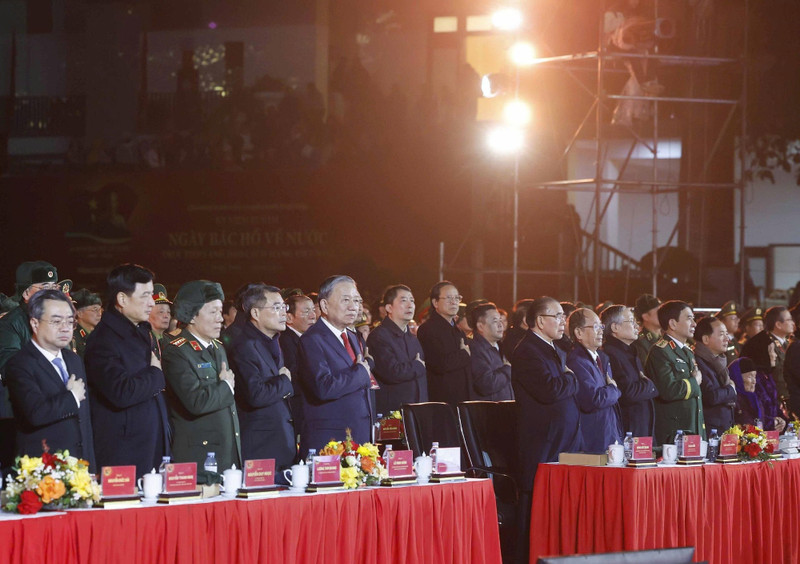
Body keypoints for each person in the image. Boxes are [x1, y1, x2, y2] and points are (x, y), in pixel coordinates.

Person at [83, 264, 170, 478]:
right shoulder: (103, 340)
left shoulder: (139, 331)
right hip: (124, 454)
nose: (152, 303)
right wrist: (156, 374)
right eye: (145, 295)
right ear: (122, 299)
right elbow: (120, 392)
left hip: (150, 446)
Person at [4, 289, 96, 470]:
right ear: (35, 323)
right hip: (42, 469)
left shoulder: (74, 360)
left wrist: (90, 468)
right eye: (56, 321)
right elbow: (35, 413)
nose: (65, 327)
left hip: (78, 468)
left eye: (70, 321)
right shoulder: (20, 364)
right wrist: (71, 397)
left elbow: (84, 423)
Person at [162, 280, 242, 473]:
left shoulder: (218, 347)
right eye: (213, 312)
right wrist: (226, 386)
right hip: (200, 456)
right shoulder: (177, 351)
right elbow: (196, 402)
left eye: (220, 311)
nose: (220, 318)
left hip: (226, 451)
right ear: (191, 316)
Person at [297, 275, 374, 457]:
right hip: (330, 441)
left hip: (359, 436)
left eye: (356, 300)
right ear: (324, 306)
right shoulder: (312, 339)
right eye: (345, 300)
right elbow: (323, 387)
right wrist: (361, 373)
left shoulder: (352, 337)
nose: (353, 307)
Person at [227, 284, 295, 478]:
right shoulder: (244, 346)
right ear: (255, 313)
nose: (283, 313)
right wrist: (284, 381)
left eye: (284, 307)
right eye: (276, 307)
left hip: (281, 443)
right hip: (261, 447)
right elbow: (255, 394)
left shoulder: (272, 341)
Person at [512, 296, 581, 486]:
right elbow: (550, 390)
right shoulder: (528, 351)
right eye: (558, 316)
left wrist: (569, 380)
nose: (563, 322)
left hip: (563, 439)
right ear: (540, 321)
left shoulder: (553, 348)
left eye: (563, 317)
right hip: (545, 442)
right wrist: (571, 378)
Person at [645, 300, 706, 445]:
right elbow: (668, 390)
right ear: (672, 324)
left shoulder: (687, 350)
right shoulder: (660, 351)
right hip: (674, 433)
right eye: (689, 318)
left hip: (692, 428)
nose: (694, 324)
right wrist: (694, 382)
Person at [567, 308, 622, 453]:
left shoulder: (601, 358)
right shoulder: (577, 361)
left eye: (601, 326)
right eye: (595, 327)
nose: (601, 331)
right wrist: (614, 389)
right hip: (592, 442)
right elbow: (593, 400)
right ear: (579, 333)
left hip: (609, 436)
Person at [366, 284, 427, 414]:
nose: (410, 305)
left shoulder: (412, 339)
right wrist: (417, 366)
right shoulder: (379, 336)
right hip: (394, 414)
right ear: (389, 308)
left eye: (412, 301)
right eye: (403, 300)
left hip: (418, 411)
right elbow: (391, 372)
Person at [601, 305, 658, 438]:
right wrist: (649, 384)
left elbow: (652, 390)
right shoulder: (610, 354)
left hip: (641, 426)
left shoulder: (630, 351)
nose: (637, 326)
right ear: (615, 327)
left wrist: (648, 386)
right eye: (631, 321)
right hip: (628, 429)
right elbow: (627, 393)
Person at [417, 281, 472, 403]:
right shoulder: (428, 329)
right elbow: (439, 364)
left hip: (462, 397)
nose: (454, 302)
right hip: (442, 399)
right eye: (448, 298)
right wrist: (464, 354)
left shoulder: (458, 331)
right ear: (435, 302)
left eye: (457, 298)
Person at [741, 306, 795, 409]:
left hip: (789, 398)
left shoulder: (787, 342)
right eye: (789, 320)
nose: (793, 323)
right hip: (774, 401)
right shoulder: (762, 344)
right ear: (778, 324)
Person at [280, 293, 316, 440]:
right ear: (289, 318)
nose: (313, 316)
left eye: (313, 310)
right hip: (296, 410)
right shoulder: (284, 341)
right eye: (306, 312)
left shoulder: (311, 339)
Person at [693, 317, 737, 433]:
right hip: (710, 431)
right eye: (721, 334)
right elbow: (710, 397)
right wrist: (731, 389)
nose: (727, 339)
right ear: (706, 339)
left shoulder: (719, 362)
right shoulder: (698, 362)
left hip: (724, 428)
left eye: (726, 334)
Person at [468, 302, 514, 401]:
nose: (500, 325)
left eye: (500, 320)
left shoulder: (500, 346)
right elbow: (486, 384)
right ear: (480, 326)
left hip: (505, 408)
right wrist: (507, 369)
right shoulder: (476, 349)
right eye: (495, 321)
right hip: (489, 409)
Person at [729, 357, 762, 427]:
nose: (754, 381)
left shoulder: (754, 398)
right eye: (750, 377)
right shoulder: (732, 400)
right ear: (738, 377)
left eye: (755, 377)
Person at [71, 289, 103, 358]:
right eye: (95, 310)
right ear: (79, 313)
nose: (99, 314)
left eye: (100, 310)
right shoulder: (73, 337)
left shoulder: (102, 334)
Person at [632, 293, 662, 367]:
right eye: (659, 312)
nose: (663, 315)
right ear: (646, 317)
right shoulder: (639, 343)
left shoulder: (664, 338)